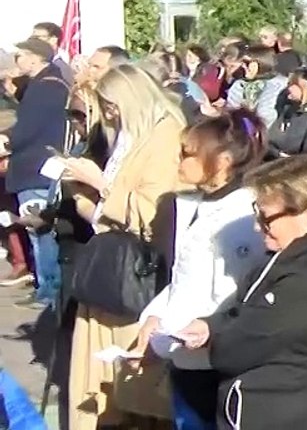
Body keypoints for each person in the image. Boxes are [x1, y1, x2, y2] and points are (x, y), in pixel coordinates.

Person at [171, 155, 307, 430]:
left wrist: (218, 341)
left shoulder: (303, 282)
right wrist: (211, 325)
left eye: (267, 218)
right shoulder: (299, 254)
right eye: (257, 212)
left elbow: (233, 351)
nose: (258, 226)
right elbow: (249, 311)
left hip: (281, 415)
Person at [63, 64, 185, 430]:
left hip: (136, 273)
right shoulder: (133, 132)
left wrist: (99, 186)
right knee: (103, 376)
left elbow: (155, 210)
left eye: (112, 106)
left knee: (133, 380)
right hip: (112, 262)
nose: (110, 115)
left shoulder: (165, 136)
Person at [135, 110, 267, 428]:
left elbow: (227, 296)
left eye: (188, 154)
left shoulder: (238, 219)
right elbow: (186, 278)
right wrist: (156, 316)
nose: (178, 161)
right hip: (185, 357)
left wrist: (173, 335)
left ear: (221, 161)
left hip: (210, 365)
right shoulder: (198, 205)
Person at [0, 38, 70, 298]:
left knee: (40, 231)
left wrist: (7, 142)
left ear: (35, 58)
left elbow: (28, 129)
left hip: (35, 167)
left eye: (21, 54)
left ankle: (49, 293)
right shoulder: (47, 84)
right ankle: (48, 290)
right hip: (40, 165)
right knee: (40, 231)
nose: (17, 59)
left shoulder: (44, 87)